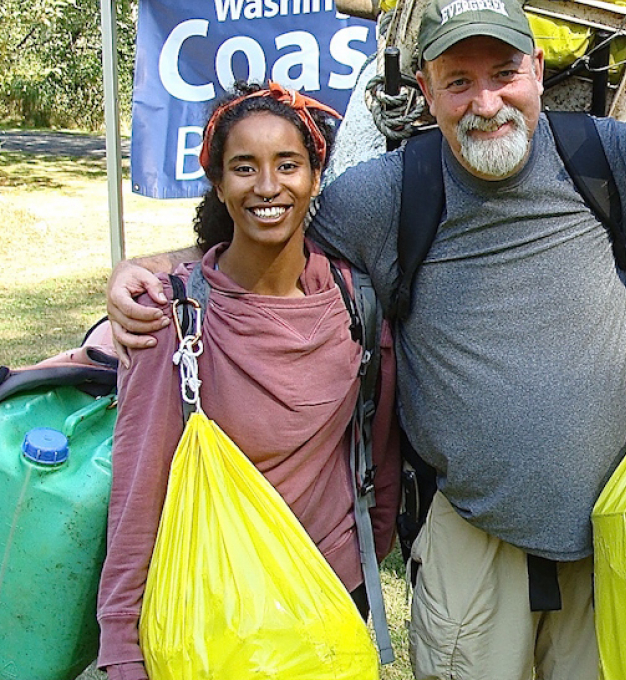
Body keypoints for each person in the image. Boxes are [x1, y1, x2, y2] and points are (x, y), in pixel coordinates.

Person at [104, 0, 626, 680]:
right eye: (458, 81)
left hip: (615, 533)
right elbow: (269, 231)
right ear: (426, 90)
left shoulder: (605, 157)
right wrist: (154, 268)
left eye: (502, 74)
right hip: (472, 541)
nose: (485, 102)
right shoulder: (387, 194)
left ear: (536, 70)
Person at [95, 82, 401, 680]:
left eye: (287, 165)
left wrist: (370, 554)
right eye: (243, 168)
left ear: (315, 177)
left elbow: (377, 447)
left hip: (331, 600)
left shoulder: (355, 304)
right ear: (217, 182)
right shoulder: (176, 320)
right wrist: (122, 643)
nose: (267, 186)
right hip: (220, 611)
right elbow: (137, 490)